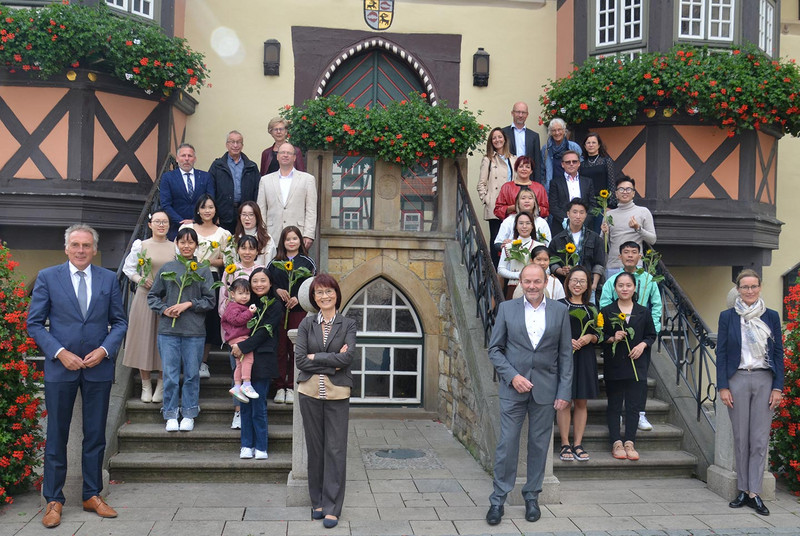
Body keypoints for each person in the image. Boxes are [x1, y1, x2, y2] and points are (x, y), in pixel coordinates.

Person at [28, 224, 128, 528]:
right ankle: (54, 500)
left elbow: (120, 322)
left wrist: (104, 350)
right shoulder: (47, 277)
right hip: (61, 368)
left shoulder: (109, 279)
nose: (81, 250)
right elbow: (34, 324)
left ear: (94, 249)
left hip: (98, 367)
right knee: (56, 435)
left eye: (86, 245)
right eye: (76, 245)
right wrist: (60, 352)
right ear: (67, 248)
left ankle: (91, 494)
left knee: (95, 435)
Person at [486, 263, 573, 526]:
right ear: (521, 282)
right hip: (513, 389)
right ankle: (498, 500)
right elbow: (494, 350)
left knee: (538, 446)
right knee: (507, 444)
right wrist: (512, 376)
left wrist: (564, 391)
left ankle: (532, 497)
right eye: (527, 282)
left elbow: (565, 355)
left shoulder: (560, 311)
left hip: (546, 391)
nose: (532, 286)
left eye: (537, 281)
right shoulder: (506, 309)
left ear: (546, 281)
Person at [717, 269, 784, 516]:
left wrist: (778, 386)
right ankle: (742, 490)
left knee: (758, 439)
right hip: (737, 379)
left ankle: (755, 492)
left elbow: (778, 353)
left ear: (760, 287)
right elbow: (721, 353)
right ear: (738, 289)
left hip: (764, 378)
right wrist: (723, 386)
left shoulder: (771, 316)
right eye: (744, 287)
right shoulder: (728, 317)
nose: (749, 291)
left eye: (754, 286)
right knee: (740, 438)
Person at [295, 273, 358, 529]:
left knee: (335, 449)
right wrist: (332, 359)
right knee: (316, 449)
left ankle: (333, 506)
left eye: (328, 291)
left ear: (336, 294)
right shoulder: (306, 325)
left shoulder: (348, 324)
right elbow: (300, 361)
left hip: (337, 394)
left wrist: (317, 358)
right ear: (313, 297)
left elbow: (348, 358)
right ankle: (317, 501)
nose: (324, 296)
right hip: (309, 393)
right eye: (319, 292)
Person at [147, 227, 215, 432]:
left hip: (194, 331)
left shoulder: (202, 269)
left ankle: (189, 412)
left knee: (192, 375)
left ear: (196, 245)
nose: (186, 246)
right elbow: (152, 296)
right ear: (176, 243)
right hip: (168, 331)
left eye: (190, 242)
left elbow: (210, 300)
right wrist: (164, 309)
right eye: (182, 242)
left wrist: (188, 304)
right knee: (169, 374)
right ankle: (169, 413)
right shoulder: (168, 268)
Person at [599, 241, 663, 431]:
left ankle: (640, 413)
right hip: (618, 333)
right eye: (625, 252)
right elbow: (604, 303)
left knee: (640, 378)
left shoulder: (648, 280)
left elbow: (657, 306)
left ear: (639, 256)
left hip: (641, 334)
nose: (629, 255)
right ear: (620, 256)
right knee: (617, 377)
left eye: (634, 252)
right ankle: (617, 414)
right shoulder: (613, 281)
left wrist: (652, 332)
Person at [599, 271, 657, 462]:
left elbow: (651, 335)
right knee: (614, 405)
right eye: (621, 285)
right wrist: (611, 338)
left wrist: (642, 345)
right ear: (615, 289)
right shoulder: (607, 311)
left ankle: (630, 442)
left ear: (634, 288)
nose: (624, 289)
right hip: (615, 364)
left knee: (633, 406)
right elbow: (600, 337)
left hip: (637, 365)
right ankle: (616, 441)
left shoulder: (644, 311)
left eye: (628, 285)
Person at [231, 268, 285, 460]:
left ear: (270, 283)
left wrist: (243, 346)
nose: (259, 285)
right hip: (243, 359)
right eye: (255, 281)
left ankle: (261, 445)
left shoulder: (275, 305)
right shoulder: (246, 303)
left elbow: (264, 332)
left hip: (262, 359)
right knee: (244, 404)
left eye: (263, 281)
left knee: (259, 405)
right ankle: (246, 444)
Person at [121, 211, 175, 403]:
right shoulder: (141, 245)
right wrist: (140, 280)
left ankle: (160, 384)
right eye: (158, 221)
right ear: (150, 224)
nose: (161, 225)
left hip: (167, 299)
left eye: (165, 222)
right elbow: (129, 268)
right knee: (143, 339)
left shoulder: (175, 247)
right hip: (144, 296)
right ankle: (145, 384)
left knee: (165, 342)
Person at [180, 194, 232, 379]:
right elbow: (178, 252)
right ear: (198, 210)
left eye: (210, 207)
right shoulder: (187, 228)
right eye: (203, 207)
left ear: (215, 209)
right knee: (189, 317)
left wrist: (211, 261)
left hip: (211, 277)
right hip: (188, 277)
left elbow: (228, 259)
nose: (207, 211)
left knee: (209, 320)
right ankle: (187, 359)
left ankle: (203, 362)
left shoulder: (224, 234)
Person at [218, 234, 266, 429]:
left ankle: (253, 412)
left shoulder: (261, 270)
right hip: (236, 331)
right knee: (237, 367)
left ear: (257, 251)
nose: (247, 252)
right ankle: (238, 412)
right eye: (243, 248)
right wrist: (230, 319)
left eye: (251, 248)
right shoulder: (231, 270)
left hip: (255, 330)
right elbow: (223, 300)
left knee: (252, 368)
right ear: (238, 250)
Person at [269, 225, 317, 404]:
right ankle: (279, 386)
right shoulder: (275, 262)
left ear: (300, 241)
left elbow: (313, 286)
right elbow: (267, 284)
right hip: (278, 312)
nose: (291, 242)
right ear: (283, 241)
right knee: (280, 349)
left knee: (295, 349)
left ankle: (292, 385)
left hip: (298, 312)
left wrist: (298, 297)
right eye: (288, 239)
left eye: (294, 238)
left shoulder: (307, 262)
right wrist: (278, 290)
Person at [556, 266, 599, 462]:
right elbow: (549, 331)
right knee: (564, 400)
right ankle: (565, 443)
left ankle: (578, 443)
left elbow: (601, 333)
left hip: (585, 357)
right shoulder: (557, 305)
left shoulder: (592, 308)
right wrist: (565, 341)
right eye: (574, 280)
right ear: (568, 282)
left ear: (588, 285)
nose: (578, 284)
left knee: (582, 401)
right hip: (564, 356)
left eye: (582, 281)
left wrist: (590, 336)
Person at [257, 142, 318, 251]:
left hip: (298, 236)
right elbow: (261, 209)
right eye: (282, 152)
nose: (285, 155)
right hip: (272, 235)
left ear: (294, 157)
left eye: (289, 153)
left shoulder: (307, 179)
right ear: (277, 156)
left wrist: (308, 234)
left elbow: (311, 209)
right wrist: (262, 233)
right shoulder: (265, 180)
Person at [601, 176, 657, 278]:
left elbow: (652, 239)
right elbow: (602, 244)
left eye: (628, 189)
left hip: (635, 266)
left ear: (633, 193)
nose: (625, 192)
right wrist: (604, 233)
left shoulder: (643, 212)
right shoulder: (609, 215)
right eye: (621, 189)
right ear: (616, 194)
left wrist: (638, 228)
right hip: (613, 265)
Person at [549, 199, 605, 300]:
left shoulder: (595, 238)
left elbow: (599, 263)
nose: (578, 216)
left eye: (581, 212)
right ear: (568, 214)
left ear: (586, 215)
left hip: (588, 286)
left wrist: (594, 284)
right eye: (575, 212)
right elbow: (552, 262)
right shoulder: (558, 239)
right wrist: (561, 270)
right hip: (565, 286)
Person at [209, 130, 261, 234]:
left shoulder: (251, 166)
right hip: (223, 214)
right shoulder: (217, 166)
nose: (235, 145)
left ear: (242, 145)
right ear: (227, 145)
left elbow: (257, 191)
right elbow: (210, 191)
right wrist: (214, 215)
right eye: (232, 142)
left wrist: (254, 213)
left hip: (246, 215)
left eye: (239, 142)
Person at [477, 127, 517, 262]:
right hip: (495, 205)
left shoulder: (513, 159)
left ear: (505, 139)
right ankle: (495, 271)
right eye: (494, 138)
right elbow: (481, 184)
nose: (497, 140)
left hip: (511, 205)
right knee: (496, 240)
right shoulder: (488, 159)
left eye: (500, 137)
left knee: (511, 238)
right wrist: (487, 199)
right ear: (491, 141)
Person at [160, 143, 215, 239]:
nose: (186, 159)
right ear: (177, 159)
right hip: (175, 229)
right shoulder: (168, 177)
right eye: (183, 155)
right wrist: (182, 222)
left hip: (201, 227)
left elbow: (211, 201)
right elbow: (165, 204)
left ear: (195, 159)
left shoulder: (206, 177)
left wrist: (194, 220)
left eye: (190, 156)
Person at [221, 278, 259, 403]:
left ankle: (237, 386)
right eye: (241, 293)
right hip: (238, 337)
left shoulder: (238, 306)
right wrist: (249, 312)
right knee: (248, 359)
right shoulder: (233, 307)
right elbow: (236, 320)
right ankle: (246, 383)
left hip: (235, 338)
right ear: (233, 294)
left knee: (239, 364)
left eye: (247, 293)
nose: (244, 296)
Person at [497, 212, 543, 300]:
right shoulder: (508, 246)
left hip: (536, 288)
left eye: (528, 223)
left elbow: (547, 269)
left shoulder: (539, 246)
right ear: (516, 226)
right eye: (521, 223)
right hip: (514, 286)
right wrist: (518, 275)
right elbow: (501, 269)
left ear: (532, 226)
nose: (524, 226)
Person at [548, 151, 595, 237]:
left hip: (585, 226)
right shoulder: (555, 182)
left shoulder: (588, 182)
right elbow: (553, 206)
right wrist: (567, 221)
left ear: (579, 163)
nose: (571, 164)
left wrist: (584, 220)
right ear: (562, 164)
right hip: (561, 227)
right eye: (568, 162)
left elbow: (592, 204)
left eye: (574, 161)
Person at [580, 132, 618, 235]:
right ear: (584, 146)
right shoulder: (582, 165)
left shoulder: (606, 161)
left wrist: (610, 205)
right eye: (588, 143)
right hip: (587, 204)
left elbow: (611, 182)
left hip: (602, 204)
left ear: (599, 145)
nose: (591, 145)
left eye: (593, 142)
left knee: (600, 234)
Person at [493, 156, 550, 223]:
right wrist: (513, 208)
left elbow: (546, 210)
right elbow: (497, 210)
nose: (524, 169)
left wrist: (535, 208)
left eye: (527, 167)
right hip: (512, 223)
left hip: (534, 223)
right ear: (516, 169)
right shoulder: (507, 187)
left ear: (531, 171)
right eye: (521, 166)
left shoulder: (539, 188)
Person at [501, 102, 542, 183]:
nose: (520, 115)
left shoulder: (534, 136)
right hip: (509, 177)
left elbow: (537, 162)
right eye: (518, 112)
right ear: (512, 113)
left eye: (523, 112)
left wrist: (537, 183)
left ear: (527, 115)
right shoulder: (503, 133)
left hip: (528, 178)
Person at [541, 118, 582, 193]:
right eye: (553, 130)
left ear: (564, 131)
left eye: (559, 129)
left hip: (572, 187)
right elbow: (542, 170)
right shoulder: (546, 149)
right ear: (550, 132)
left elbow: (581, 167)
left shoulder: (574, 147)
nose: (557, 133)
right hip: (552, 189)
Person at [233, 201, 276, 267]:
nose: (247, 218)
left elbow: (269, 264)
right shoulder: (234, 239)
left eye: (251, 215)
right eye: (244, 215)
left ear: (257, 217)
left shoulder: (266, 238)